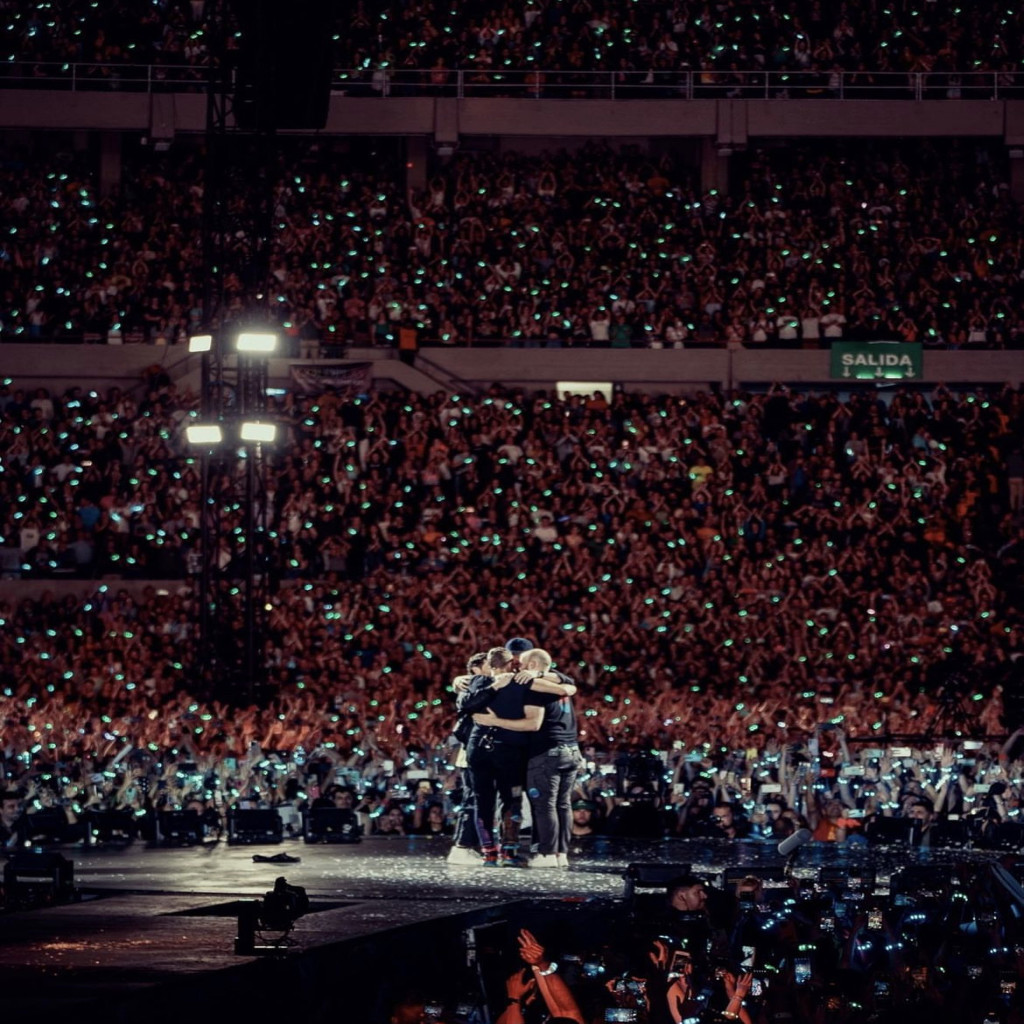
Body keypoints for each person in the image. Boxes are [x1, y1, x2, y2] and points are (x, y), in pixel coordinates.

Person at [473, 647, 582, 868]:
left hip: (548, 752)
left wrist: (493, 721)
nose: (517, 668)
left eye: (521, 664)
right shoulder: (558, 683)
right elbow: (569, 686)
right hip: (572, 751)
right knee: (563, 805)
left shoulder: (533, 686)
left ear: (531, 666)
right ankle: (561, 854)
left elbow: (532, 723)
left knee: (545, 806)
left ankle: (547, 854)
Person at [447, 651, 488, 866]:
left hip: (476, 753)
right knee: (472, 800)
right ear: (475, 669)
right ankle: (462, 847)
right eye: (488, 665)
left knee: (476, 800)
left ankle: (469, 846)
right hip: (471, 754)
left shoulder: (474, 685)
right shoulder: (471, 687)